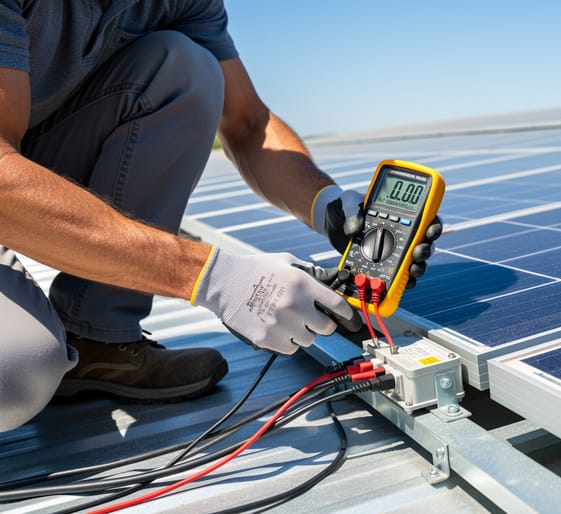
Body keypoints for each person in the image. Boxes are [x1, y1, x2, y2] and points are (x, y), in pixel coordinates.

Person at [0, 1, 440, 432]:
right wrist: (215, 278)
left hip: (35, 159)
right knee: (15, 373)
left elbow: (248, 122)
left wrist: (327, 205)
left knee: (186, 66)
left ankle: (98, 338)